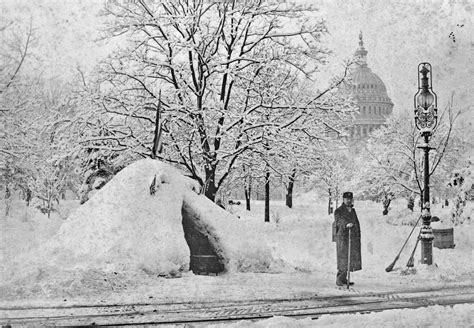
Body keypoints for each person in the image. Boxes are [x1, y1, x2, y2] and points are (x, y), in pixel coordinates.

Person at [333, 192, 362, 286]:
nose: (349, 201)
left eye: (350, 199)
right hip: (343, 238)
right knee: (343, 258)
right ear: (343, 199)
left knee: (350, 258)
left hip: (352, 237)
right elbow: (339, 220)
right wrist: (346, 224)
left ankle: (344, 278)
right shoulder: (338, 210)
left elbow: (356, 222)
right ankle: (339, 279)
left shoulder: (352, 210)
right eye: (346, 199)